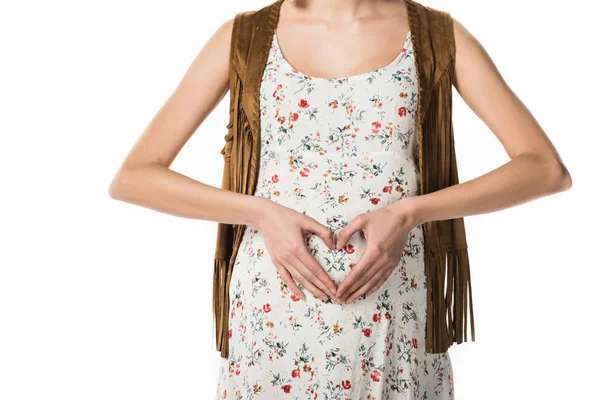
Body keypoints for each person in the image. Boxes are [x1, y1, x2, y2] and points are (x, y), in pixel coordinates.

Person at [108, 0, 572, 398]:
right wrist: (261, 213)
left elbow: (544, 168)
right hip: (274, 320)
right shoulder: (245, 37)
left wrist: (410, 212)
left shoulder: (436, 36)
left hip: (395, 318)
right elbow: (135, 177)